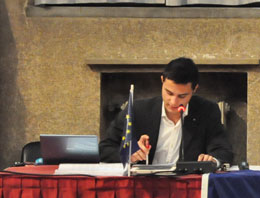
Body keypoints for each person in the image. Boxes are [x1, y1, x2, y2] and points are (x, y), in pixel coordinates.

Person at [99, 57, 233, 165]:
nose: (173, 102)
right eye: (169, 93)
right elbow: (104, 148)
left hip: (187, 186)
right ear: (162, 80)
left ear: (195, 89)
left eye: (182, 96)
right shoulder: (138, 110)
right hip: (144, 186)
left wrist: (212, 160)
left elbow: (223, 150)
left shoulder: (207, 111)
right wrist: (130, 154)